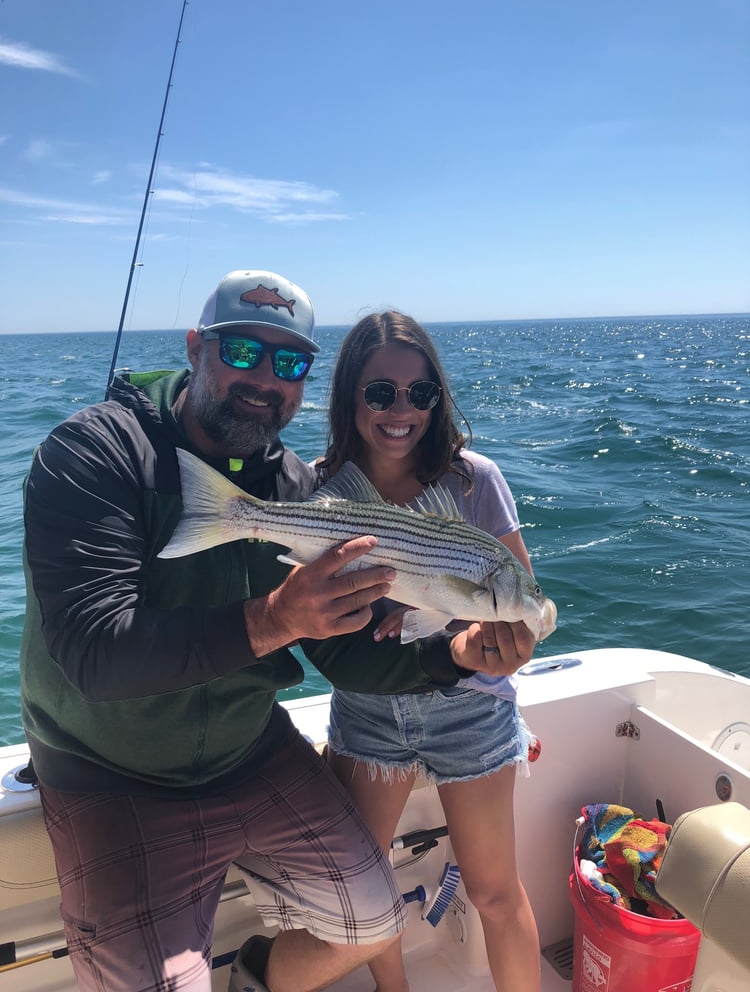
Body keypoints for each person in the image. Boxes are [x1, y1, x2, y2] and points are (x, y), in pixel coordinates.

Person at [19, 272, 506, 992]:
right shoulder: (94, 454)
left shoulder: (292, 488)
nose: (265, 380)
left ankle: (257, 975)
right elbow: (94, 653)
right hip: (108, 770)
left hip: (249, 749)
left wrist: (453, 657)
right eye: (243, 351)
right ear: (195, 347)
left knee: (377, 919)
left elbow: (344, 649)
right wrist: (272, 619)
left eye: (289, 363)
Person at [312, 311, 541, 992]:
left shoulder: (476, 480)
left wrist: (495, 649)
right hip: (369, 711)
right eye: (380, 393)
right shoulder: (322, 493)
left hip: (472, 708)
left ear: (437, 400)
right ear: (350, 396)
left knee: (496, 894)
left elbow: (521, 613)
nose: (401, 410)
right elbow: (319, 629)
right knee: (366, 897)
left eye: (420, 394)